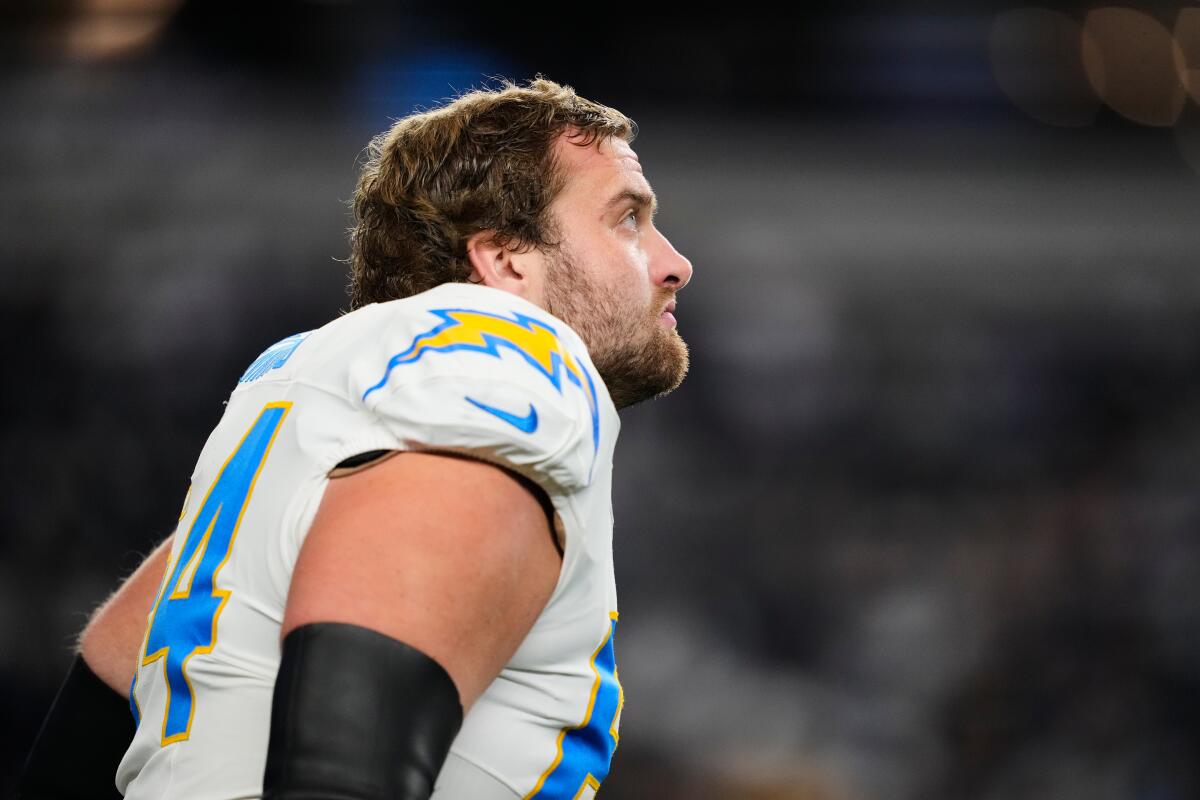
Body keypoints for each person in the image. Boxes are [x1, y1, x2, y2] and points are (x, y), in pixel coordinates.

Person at [17, 77, 693, 800]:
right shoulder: (505, 353)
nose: (675, 264)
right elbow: (337, 772)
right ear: (505, 261)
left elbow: (109, 672)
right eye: (627, 219)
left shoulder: (305, 383)